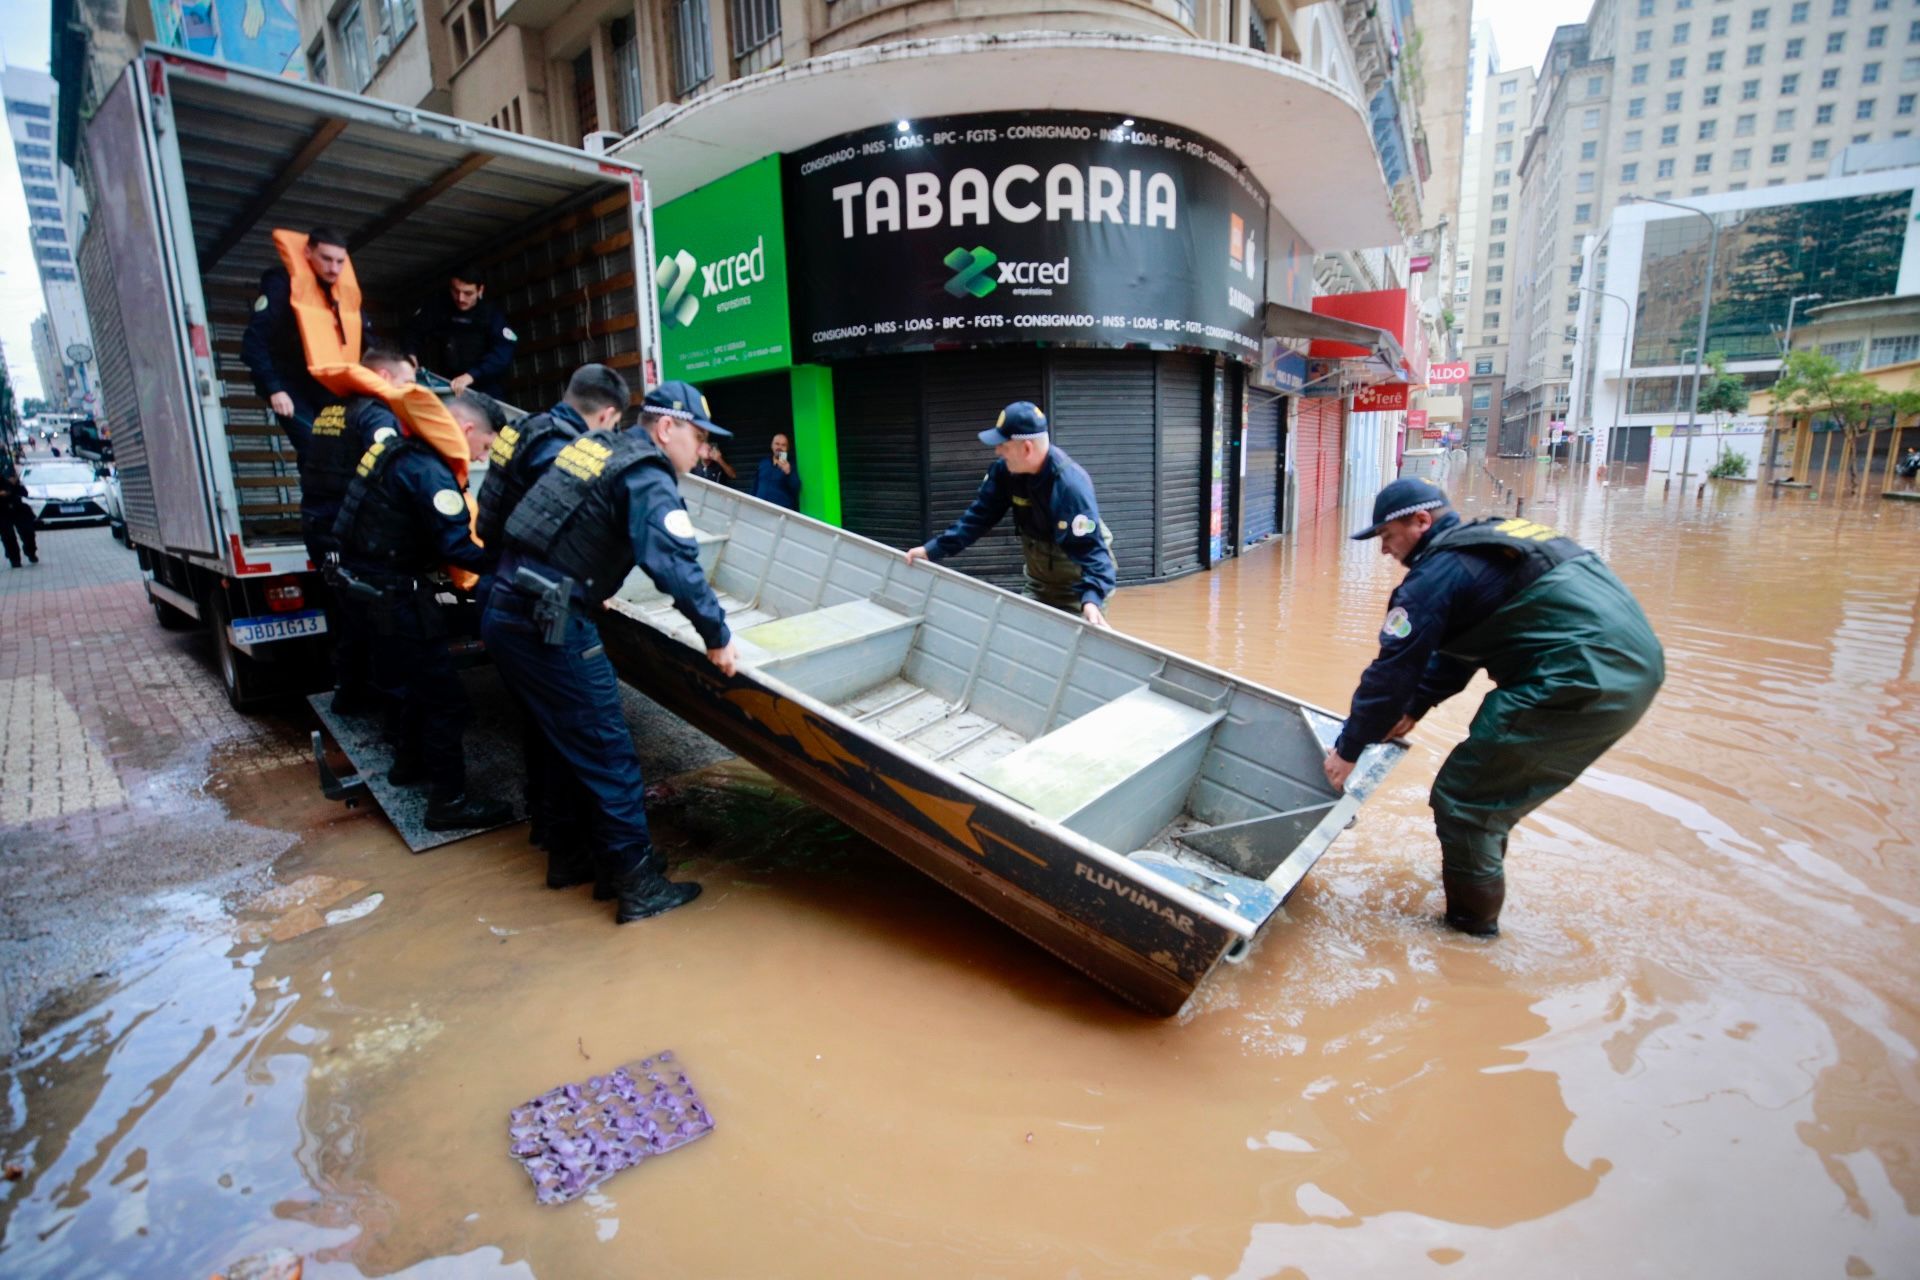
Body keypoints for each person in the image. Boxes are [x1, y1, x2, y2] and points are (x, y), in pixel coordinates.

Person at [1323, 478, 1666, 938]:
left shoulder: (1433, 576)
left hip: (1578, 678)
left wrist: (1348, 747)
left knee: (1466, 802)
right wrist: (1420, 703)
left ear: (1421, 521)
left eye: (1387, 536)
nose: (1385, 550)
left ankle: (1469, 937)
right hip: (1631, 664)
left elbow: (1390, 674)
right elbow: (1463, 639)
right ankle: (1477, 869)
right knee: (1488, 793)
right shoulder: (1497, 540)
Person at [483, 379, 737, 923]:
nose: (705, 450)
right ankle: (638, 885)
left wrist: (587, 578)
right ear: (667, 428)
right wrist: (717, 636)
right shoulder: (647, 472)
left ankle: (575, 860)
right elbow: (674, 563)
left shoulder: (597, 447)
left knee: (561, 745)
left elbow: (558, 522)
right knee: (608, 754)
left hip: (510, 605)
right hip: (547, 621)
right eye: (699, 437)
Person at [331, 373, 508, 833]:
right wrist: (511, 561)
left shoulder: (398, 451)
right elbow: (458, 548)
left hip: (364, 590)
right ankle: (447, 803)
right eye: (486, 447)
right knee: (447, 702)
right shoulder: (429, 470)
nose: (483, 457)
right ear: (467, 430)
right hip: (393, 597)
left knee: (408, 685)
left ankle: (408, 766)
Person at [472, 364, 631, 870]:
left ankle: (551, 834)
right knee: (574, 728)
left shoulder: (524, 429)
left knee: (542, 723)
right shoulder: (559, 452)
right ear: (606, 414)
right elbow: (565, 529)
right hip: (539, 600)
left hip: (502, 584)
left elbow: (493, 513)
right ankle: (573, 852)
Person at [904, 401, 1117, 628]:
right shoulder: (1005, 472)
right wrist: (932, 550)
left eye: (1003, 445)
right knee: (1020, 640)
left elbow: (1093, 551)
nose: (998, 451)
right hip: (1039, 583)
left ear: (1026, 448)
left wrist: (1092, 600)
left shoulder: (1070, 487)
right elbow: (978, 518)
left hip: (1078, 588)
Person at [240, 226, 372, 431]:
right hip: (285, 379)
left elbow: (368, 338)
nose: (334, 269)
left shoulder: (341, 294)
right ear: (308, 253)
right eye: (326, 259)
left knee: (334, 444)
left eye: (339, 262)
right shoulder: (281, 284)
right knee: (310, 443)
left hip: (324, 383)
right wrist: (275, 389)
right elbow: (254, 341)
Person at [406, 269, 516, 399]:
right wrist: (410, 355)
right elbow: (412, 331)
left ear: (480, 290)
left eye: (468, 293)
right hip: (445, 384)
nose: (460, 298)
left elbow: (503, 352)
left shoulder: (491, 315)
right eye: (456, 291)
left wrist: (471, 376)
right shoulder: (439, 308)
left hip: (484, 388)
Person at [0, 458, 36, 568]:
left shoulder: (8, 465)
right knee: (8, 536)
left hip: (19, 508)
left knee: (28, 532)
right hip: (2, 510)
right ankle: (14, 558)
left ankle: (31, 551)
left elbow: (24, 493)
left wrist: (14, 485)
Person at [752, 434, 800, 509]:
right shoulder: (764, 463)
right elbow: (755, 486)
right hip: (760, 508)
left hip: (780, 512)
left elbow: (796, 488)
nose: (779, 447)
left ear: (787, 448)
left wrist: (788, 472)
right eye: (777, 444)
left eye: (783, 445)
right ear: (772, 446)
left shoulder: (792, 465)